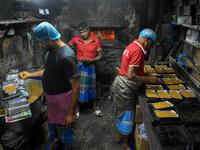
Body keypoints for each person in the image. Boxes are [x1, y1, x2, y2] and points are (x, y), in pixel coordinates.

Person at [18, 22, 80, 150]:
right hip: (54, 102)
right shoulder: (51, 51)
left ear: (48, 39)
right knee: (58, 128)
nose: (40, 45)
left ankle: (67, 147)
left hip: (64, 103)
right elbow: (48, 71)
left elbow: (76, 88)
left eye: (40, 42)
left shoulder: (66, 57)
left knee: (66, 129)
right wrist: (29, 75)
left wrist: (71, 113)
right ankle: (59, 143)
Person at [111, 29, 158, 150]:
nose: (150, 46)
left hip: (120, 83)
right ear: (147, 40)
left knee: (120, 111)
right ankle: (125, 145)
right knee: (127, 115)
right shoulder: (138, 51)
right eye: (151, 43)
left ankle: (120, 137)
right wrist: (148, 79)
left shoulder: (132, 45)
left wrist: (143, 71)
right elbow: (131, 75)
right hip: (125, 87)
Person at [67, 21, 103, 117]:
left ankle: (95, 108)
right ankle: (77, 109)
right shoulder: (76, 39)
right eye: (81, 32)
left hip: (91, 66)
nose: (83, 34)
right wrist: (73, 59)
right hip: (80, 66)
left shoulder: (96, 40)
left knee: (92, 86)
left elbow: (100, 55)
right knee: (79, 87)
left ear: (89, 30)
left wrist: (92, 60)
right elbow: (66, 48)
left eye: (84, 31)